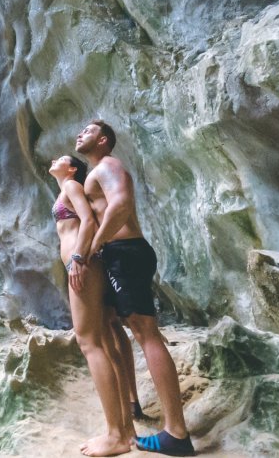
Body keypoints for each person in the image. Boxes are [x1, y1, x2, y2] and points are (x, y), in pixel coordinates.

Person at [77, 120, 196, 457]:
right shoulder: (98, 170)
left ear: (103, 141)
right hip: (122, 255)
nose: (79, 134)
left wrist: (98, 244)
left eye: (87, 131)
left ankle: (176, 433)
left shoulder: (109, 165)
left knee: (146, 333)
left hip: (125, 253)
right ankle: (131, 405)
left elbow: (122, 203)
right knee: (113, 324)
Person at [48, 155, 140, 457]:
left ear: (72, 168)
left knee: (89, 342)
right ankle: (126, 430)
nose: (54, 159)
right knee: (102, 339)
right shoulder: (68, 188)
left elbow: (88, 220)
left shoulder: (71, 186)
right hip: (87, 264)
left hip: (84, 265)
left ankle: (116, 434)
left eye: (61, 159)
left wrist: (76, 258)